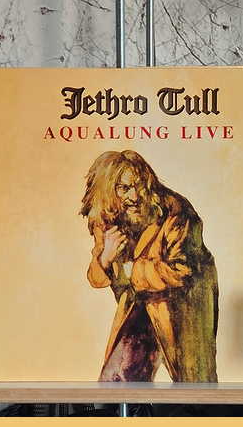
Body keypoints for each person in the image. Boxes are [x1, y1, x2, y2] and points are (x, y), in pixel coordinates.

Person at [80, 150, 218, 382]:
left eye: (138, 186)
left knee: (195, 383)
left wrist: (130, 271)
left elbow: (182, 271)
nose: (134, 196)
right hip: (138, 305)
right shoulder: (105, 215)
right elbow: (96, 277)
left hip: (183, 306)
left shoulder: (177, 212)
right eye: (124, 188)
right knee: (116, 380)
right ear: (108, 191)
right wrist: (104, 259)